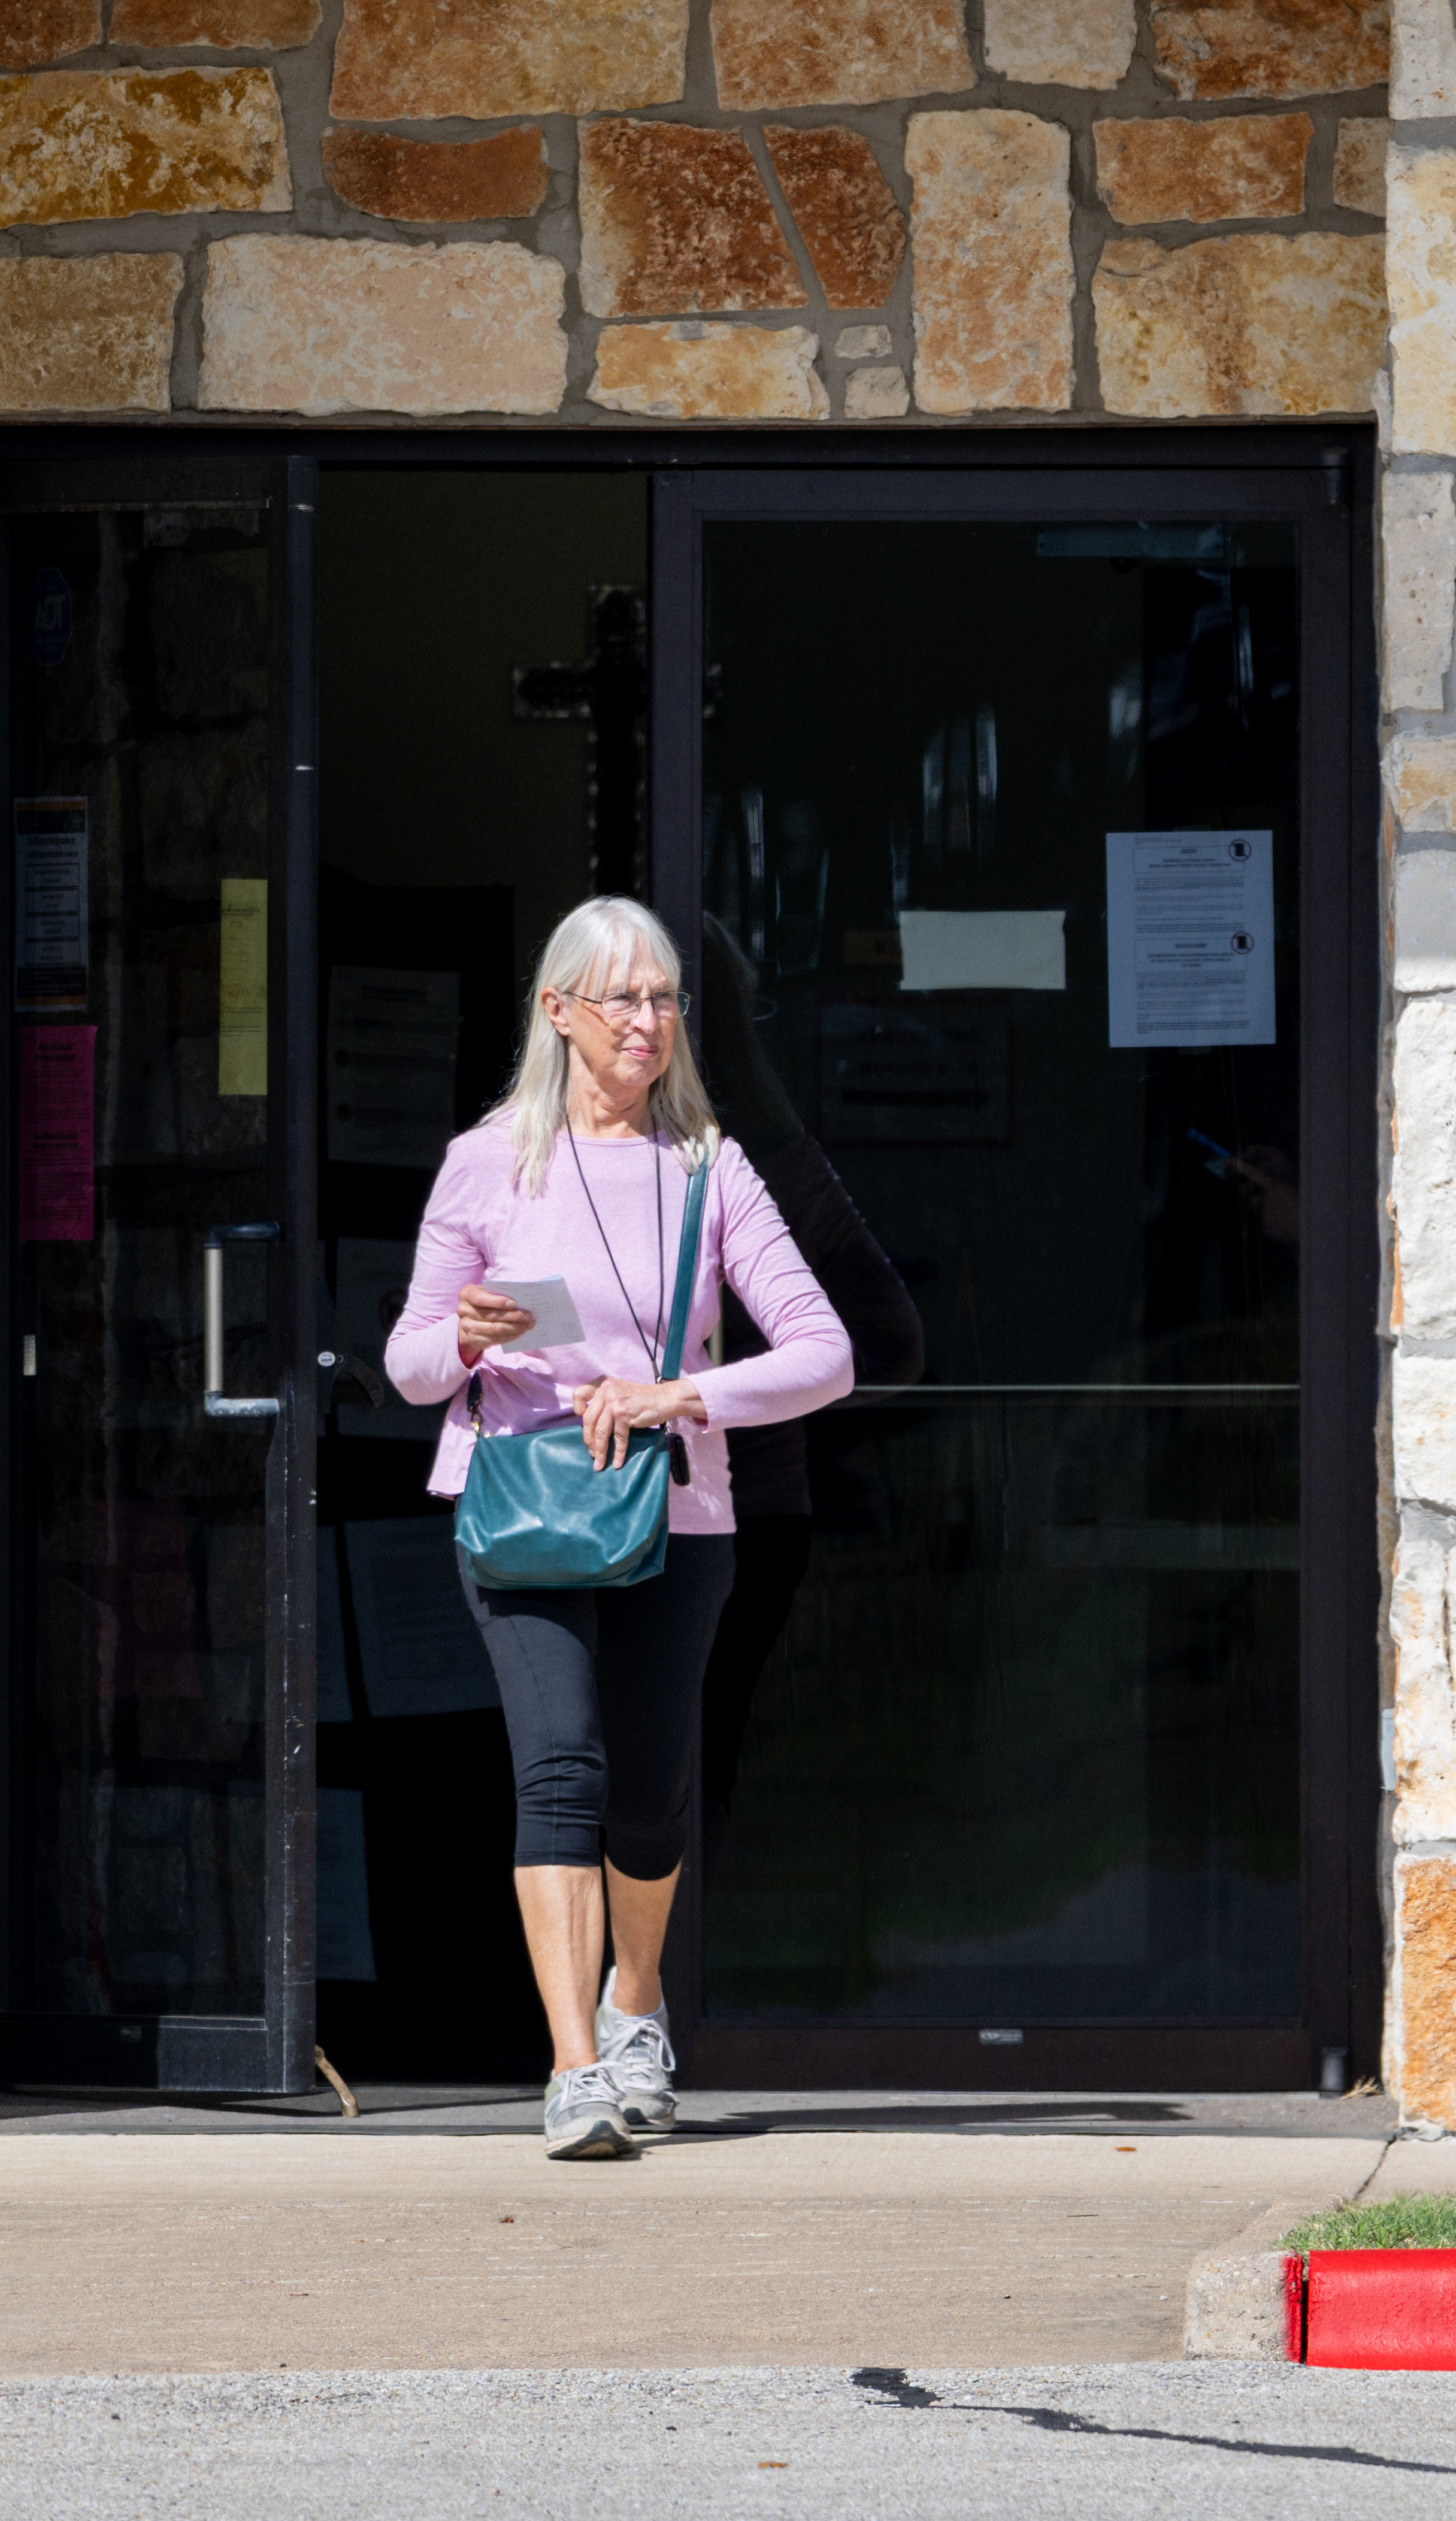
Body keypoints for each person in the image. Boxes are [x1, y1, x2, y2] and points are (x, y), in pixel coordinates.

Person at [388, 897, 852, 2160]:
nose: (647, 1022)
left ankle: (635, 2000)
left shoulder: (711, 1166)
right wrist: (467, 1338)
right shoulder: (490, 1161)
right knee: (562, 1771)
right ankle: (575, 2067)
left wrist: (681, 1392)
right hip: (524, 1500)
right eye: (621, 1000)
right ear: (560, 1013)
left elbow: (828, 1353)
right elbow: (412, 1361)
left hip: (678, 1509)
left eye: (663, 999)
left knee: (649, 1797)